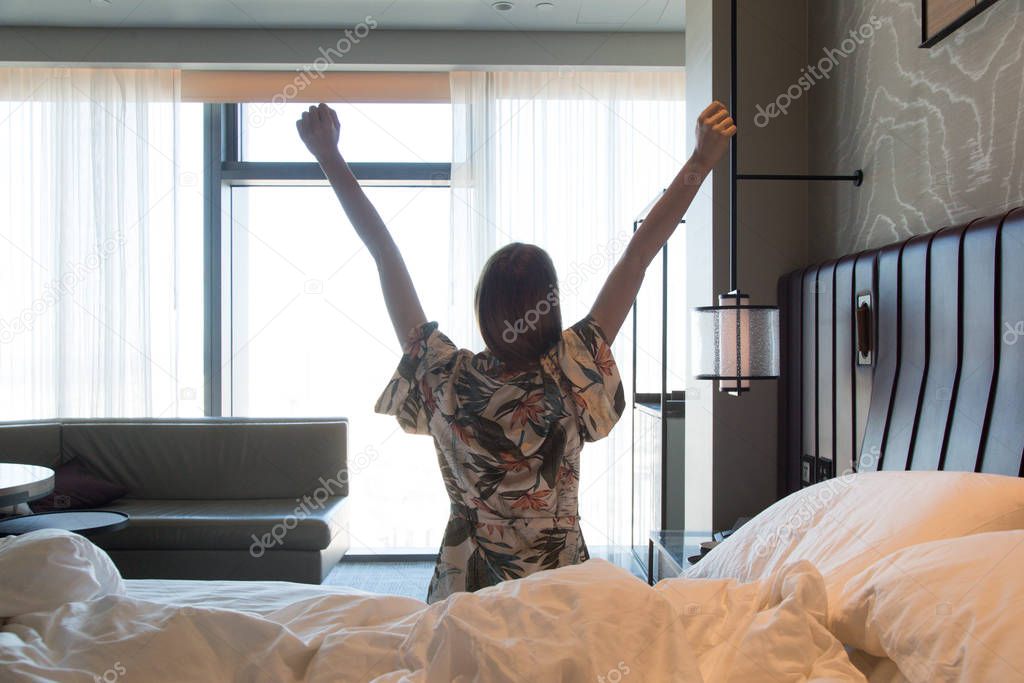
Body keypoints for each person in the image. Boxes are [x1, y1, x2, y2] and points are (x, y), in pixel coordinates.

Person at [297, 101, 736, 603]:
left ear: (484, 310)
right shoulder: (574, 367)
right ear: (549, 309)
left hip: (466, 594)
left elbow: (384, 252)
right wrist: (700, 160)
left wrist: (329, 156)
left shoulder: (445, 376)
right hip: (562, 592)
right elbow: (638, 256)